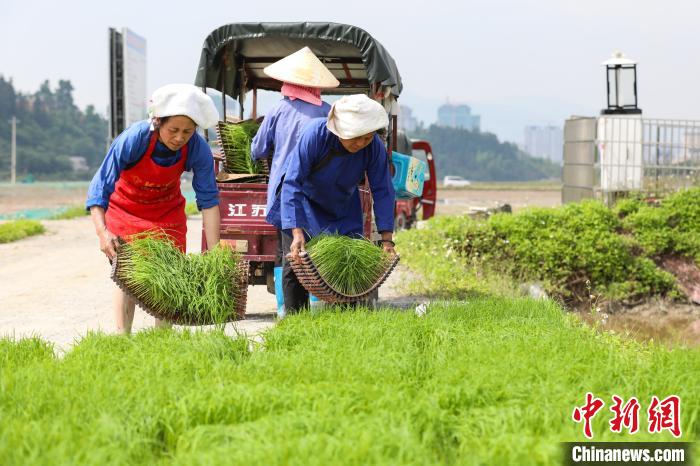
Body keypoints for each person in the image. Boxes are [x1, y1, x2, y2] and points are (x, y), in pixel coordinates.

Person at [86, 83, 221, 334]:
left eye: (188, 131)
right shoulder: (134, 138)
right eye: (174, 130)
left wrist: (214, 253)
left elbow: (209, 201)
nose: (180, 137)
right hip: (126, 210)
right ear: (158, 122)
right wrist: (102, 233)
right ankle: (122, 337)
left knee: (168, 276)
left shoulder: (197, 148)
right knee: (128, 275)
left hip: (166, 213)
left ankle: (162, 340)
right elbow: (99, 188)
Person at [267, 94, 396, 313]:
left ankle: (347, 319)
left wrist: (387, 240)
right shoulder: (316, 135)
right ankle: (294, 319)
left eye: (366, 138)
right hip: (302, 203)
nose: (360, 143)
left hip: (342, 204)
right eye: (355, 137)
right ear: (339, 129)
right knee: (296, 262)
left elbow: (383, 190)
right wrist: (297, 232)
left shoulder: (373, 147)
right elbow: (292, 182)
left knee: (351, 260)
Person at [250, 46, 339, 315]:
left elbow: (258, 149)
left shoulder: (278, 109)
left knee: (285, 249)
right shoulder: (328, 112)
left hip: (285, 191)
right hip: (320, 192)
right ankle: (317, 303)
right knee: (316, 245)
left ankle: (284, 308)